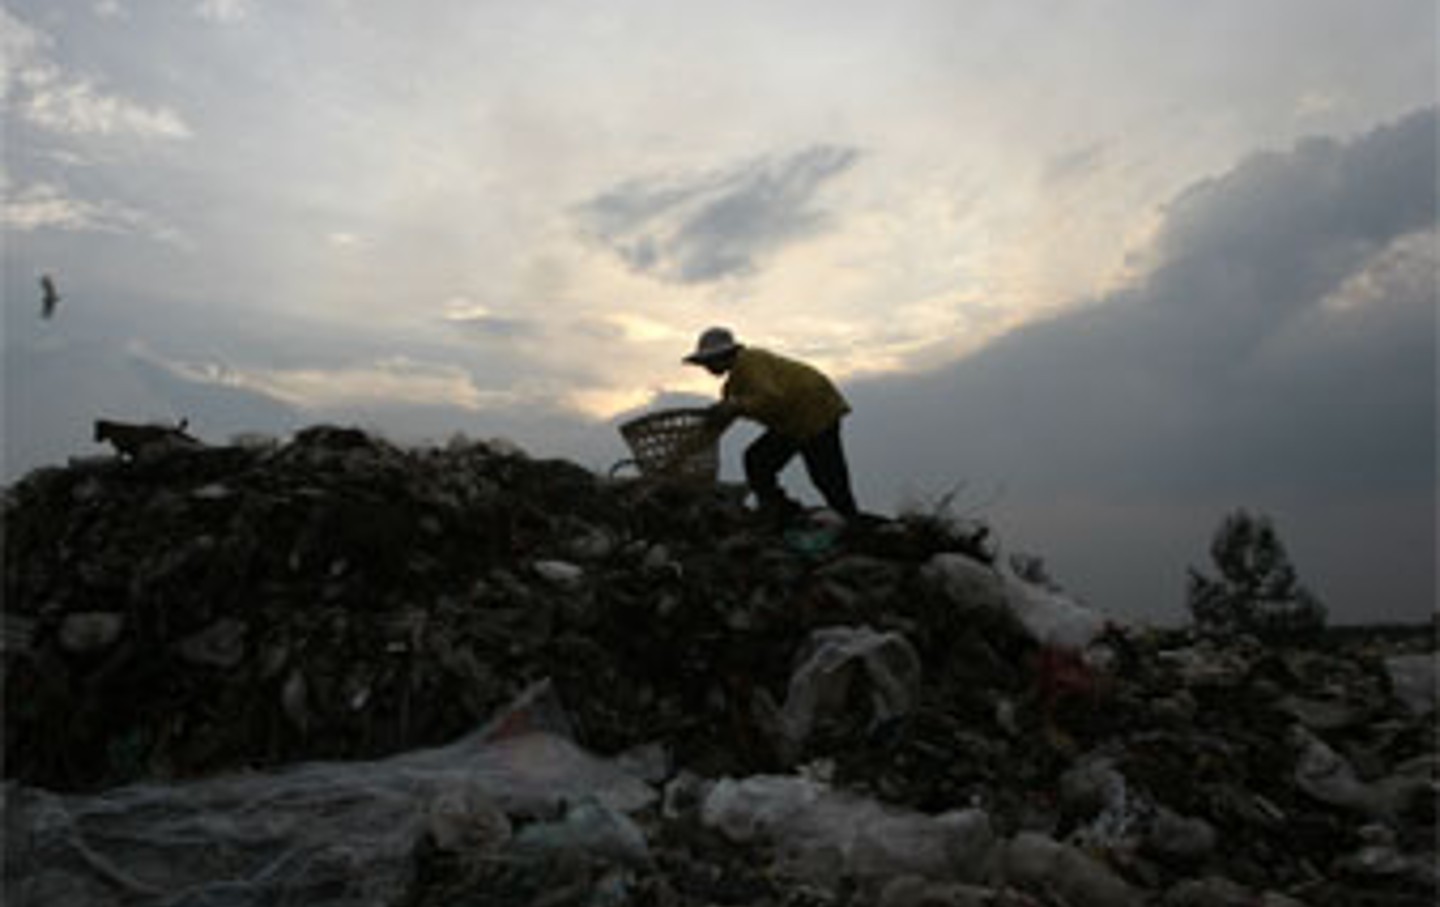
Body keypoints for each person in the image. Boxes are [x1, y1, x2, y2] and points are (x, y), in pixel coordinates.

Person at [683, 326, 859, 520]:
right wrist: (686, 451)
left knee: (827, 477)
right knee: (757, 459)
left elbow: (770, 397)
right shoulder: (733, 387)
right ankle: (776, 507)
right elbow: (718, 425)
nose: (706, 367)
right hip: (792, 423)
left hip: (814, 410)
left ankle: (851, 520)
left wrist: (735, 405)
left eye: (708, 361)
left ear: (723, 355)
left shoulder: (750, 361)